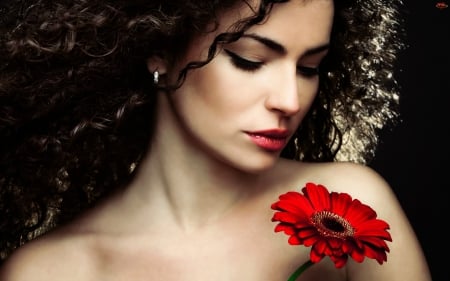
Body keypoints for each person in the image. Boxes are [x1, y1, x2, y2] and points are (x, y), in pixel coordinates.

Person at [0, 0, 431, 280]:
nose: (288, 100)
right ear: (161, 53)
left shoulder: (347, 206)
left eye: (308, 69)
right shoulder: (51, 271)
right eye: (249, 61)